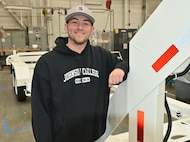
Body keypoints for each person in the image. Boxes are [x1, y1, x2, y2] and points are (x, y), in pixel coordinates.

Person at [31, 5, 129, 142]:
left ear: (92, 29)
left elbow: (123, 63)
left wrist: (120, 69)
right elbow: (40, 111)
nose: (80, 27)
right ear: (66, 26)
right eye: (74, 22)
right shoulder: (47, 63)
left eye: (86, 23)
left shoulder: (102, 56)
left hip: (96, 136)